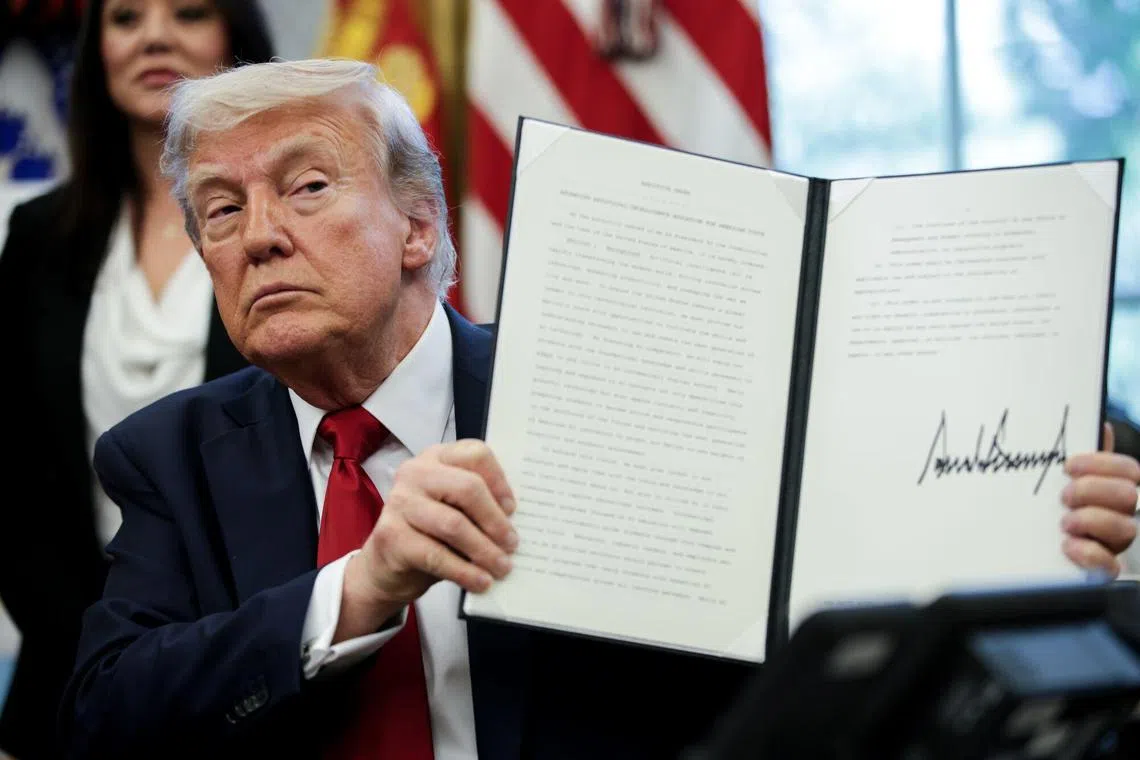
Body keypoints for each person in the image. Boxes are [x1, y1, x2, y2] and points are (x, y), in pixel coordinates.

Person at [60, 58, 1140, 760]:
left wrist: (1048, 549)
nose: (256, 235)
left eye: (305, 188)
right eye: (219, 207)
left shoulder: (616, 388)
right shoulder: (171, 456)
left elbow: (811, 637)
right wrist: (357, 588)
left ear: (421, 227)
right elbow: (103, 718)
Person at [0, 3, 272, 758]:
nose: (154, 35)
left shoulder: (285, 235)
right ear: (98, 53)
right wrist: (98, 650)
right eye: (124, 17)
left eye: (188, 11)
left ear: (236, 42)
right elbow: (12, 477)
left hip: (251, 681)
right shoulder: (37, 238)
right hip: (66, 685)